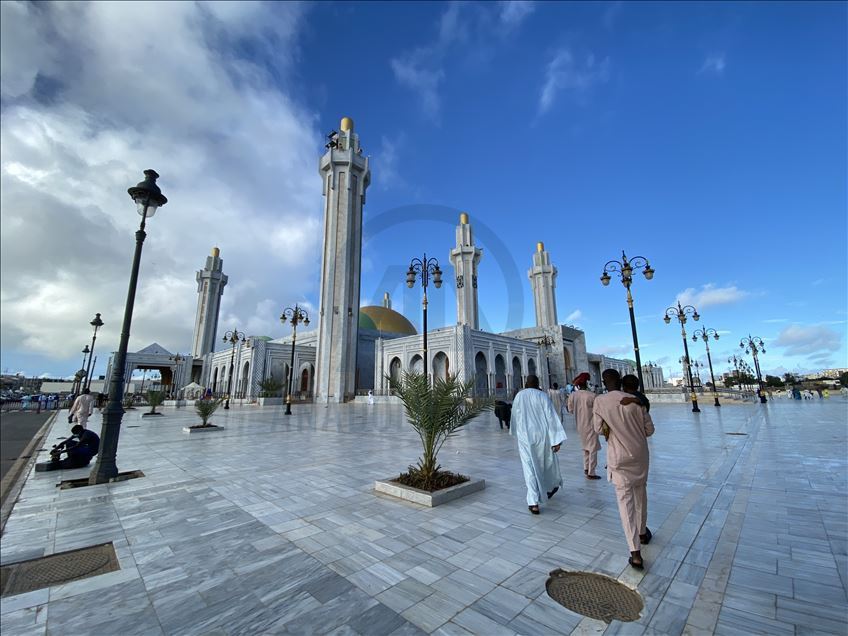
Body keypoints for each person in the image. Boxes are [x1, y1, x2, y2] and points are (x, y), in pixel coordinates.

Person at [593, 369, 655, 570]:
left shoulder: (601, 401)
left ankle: (635, 552)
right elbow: (649, 430)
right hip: (640, 455)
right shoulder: (635, 401)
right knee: (641, 493)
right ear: (620, 380)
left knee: (625, 501)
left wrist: (610, 427)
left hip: (619, 457)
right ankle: (643, 533)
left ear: (603, 382)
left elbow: (597, 428)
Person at [510, 374, 566, 515]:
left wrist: (515, 432)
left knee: (529, 468)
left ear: (526, 383)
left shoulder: (519, 396)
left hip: (525, 438)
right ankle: (547, 488)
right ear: (537, 383)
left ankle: (534, 502)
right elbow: (551, 417)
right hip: (542, 437)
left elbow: (514, 416)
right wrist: (556, 440)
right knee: (544, 464)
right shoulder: (542, 396)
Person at [567, 372, 601, 480]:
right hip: (591, 424)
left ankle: (586, 467)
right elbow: (598, 411)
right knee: (592, 448)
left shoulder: (572, 396)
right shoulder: (592, 396)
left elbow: (571, 410)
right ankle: (591, 472)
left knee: (586, 447)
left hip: (580, 425)